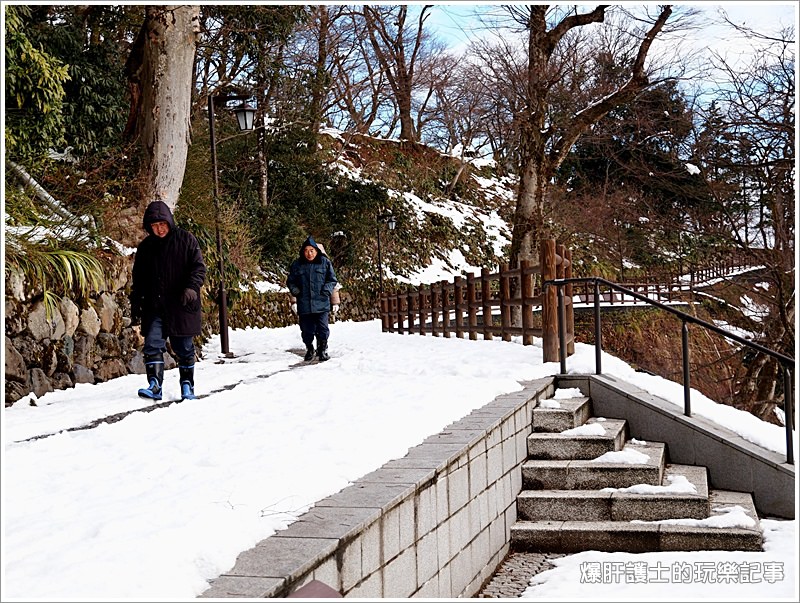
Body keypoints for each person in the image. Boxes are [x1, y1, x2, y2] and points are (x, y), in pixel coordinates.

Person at [130, 200, 207, 400]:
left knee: (184, 348)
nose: (159, 229)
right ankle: (155, 385)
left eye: (162, 224)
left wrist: (191, 289)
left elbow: (198, 268)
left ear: (169, 222)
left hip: (182, 305)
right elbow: (138, 278)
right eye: (154, 226)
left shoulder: (186, 240)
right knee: (153, 343)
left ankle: (187, 385)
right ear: (149, 227)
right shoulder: (146, 248)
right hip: (155, 306)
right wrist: (136, 303)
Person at [287, 236, 339, 361]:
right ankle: (309, 348)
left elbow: (332, 280)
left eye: (312, 250)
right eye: (306, 250)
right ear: (302, 251)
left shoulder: (325, 262)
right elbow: (291, 281)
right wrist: (295, 292)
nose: (309, 253)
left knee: (323, 329)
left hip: (321, 303)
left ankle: (322, 349)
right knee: (307, 330)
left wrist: (327, 292)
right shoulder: (297, 264)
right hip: (305, 304)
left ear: (316, 251)